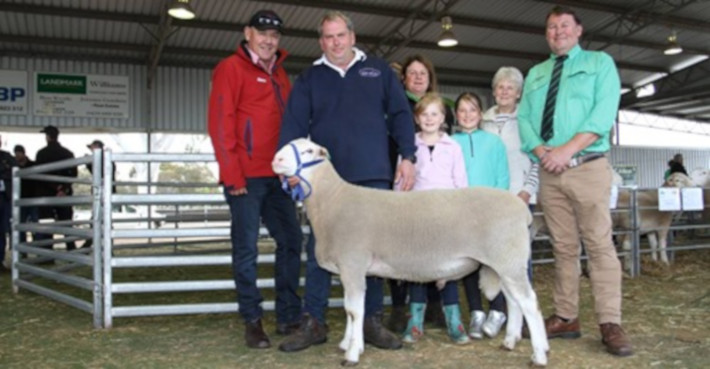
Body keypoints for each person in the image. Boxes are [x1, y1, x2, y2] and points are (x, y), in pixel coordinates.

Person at [277, 11, 416, 353]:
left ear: (352, 37)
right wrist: (291, 167)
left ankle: (371, 322)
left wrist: (409, 156)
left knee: (376, 250)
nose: (334, 42)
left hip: (372, 173)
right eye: (327, 37)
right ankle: (314, 321)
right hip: (326, 181)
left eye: (340, 35)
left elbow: (400, 113)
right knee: (320, 249)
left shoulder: (379, 71)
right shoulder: (310, 78)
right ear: (320, 41)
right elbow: (294, 125)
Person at [517, 6, 633, 357]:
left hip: (587, 166)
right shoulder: (536, 73)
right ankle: (566, 316)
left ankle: (609, 322)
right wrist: (541, 151)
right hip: (551, 173)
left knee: (599, 244)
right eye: (551, 27)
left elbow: (602, 114)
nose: (557, 31)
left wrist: (566, 151)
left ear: (579, 30)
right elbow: (524, 118)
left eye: (564, 25)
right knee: (563, 247)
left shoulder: (600, 64)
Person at [206, 9, 304, 349]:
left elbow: (290, 127)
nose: (269, 41)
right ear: (248, 33)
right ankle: (252, 319)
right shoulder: (230, 69)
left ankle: (289, 314)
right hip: (245, 178)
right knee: (245, 249)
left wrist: (292, 171)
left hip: (277, 176)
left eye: (275, 36)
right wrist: (233, 175)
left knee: (292, 241)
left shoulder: (281, 75)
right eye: (262, 33)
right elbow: (221, 124)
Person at [387, 54, 452, 332]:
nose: (417, 78)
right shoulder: (393, 106)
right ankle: (400, 307)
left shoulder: (439, 109)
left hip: (434, 192)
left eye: (422, 73)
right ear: (404, 78)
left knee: (436, 247)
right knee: (402, 246)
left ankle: (435, 305)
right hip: (403, 185)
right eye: (412, 73)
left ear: (430, 77)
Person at [400, 93, 469, 344]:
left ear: (443, 118)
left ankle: (455, 321)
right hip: (417, 215)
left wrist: (460, 215)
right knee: (419, 268)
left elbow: (461, 183)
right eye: (424, 114)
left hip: (446, 215)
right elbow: (402, 182)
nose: (429, 119)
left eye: (435, 114)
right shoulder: (409, 147)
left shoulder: (453, 147)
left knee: (447, 269)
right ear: (417, 118)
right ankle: (415, 322)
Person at [451, 92, 510, 340]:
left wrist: (498, 207)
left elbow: (502, 176)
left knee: (493, 261)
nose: (467, 115)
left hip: (489, 210)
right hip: (462, 210)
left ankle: (498, 310)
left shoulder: (494, 142)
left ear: (480, 114)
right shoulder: (450, 142)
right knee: (468, 263)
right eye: (462, 110)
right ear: (456, 114)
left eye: (472, 110)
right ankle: (476, 312)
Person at [481, 66, 540, 283]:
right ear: (494, 91)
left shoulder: (528, 122)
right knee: (492, 253)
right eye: (500, 87)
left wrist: (526, 191)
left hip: (519, 196)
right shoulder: (483, 122)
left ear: (518, 93)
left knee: (519, 254)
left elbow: (538, 160)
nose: (504, 92)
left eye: (510, 88)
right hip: (491, 199)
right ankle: (499, 310)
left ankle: (524, 308)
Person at [35, 126, 78, 251]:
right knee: (67, 223)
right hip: (64, 194)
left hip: (48, 193)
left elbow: (39, 174)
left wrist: (54, 187)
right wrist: (63, 188)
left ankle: (48, 253)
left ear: (47, 137)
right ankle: (71, 249)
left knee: (47, 224)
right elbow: (74, 174)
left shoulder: (42, 153)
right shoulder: (68, 153)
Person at [81, 139, 117, 249]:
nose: (91, 150)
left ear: (97, 147)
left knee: (98, 219)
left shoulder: (103, 159)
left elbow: (97, 172)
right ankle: (104, 247)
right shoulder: (107, 159)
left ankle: (89, 245)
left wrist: (89, 162)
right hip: (103, 192)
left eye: (92, 147)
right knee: (101, 220)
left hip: (102, 193)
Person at [13, 145, 39, 246]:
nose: (17, 155)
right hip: (21, 200)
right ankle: (23, 250)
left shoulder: (32, 165)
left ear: (23, 153)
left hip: (32, 199)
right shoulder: (15, 167)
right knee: (21, 226)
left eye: (18, 153)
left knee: (35, 227)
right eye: (16, 153)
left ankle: (35, 247)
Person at [0, 136, 18, 272]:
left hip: (4, 197)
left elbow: (14, 169)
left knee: (2, 230)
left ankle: (0, 260)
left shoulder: (6, 156)